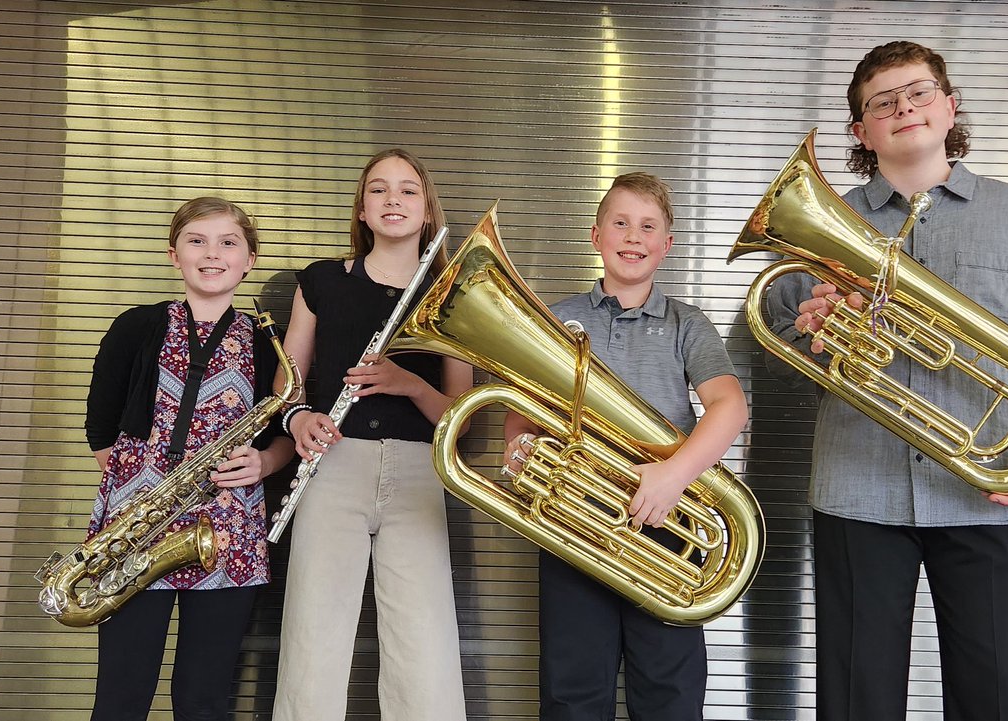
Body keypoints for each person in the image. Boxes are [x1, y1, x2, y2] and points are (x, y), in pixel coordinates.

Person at [763, 41, 1008, 721]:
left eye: (918, 92)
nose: (904, 108)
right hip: (858, 491)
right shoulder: (827, 220)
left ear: (950, 106)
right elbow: (776, 316)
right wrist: (812, 315)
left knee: (997, 696)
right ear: (862, 133)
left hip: (988, 490)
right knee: (857, 699)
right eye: (882, 102)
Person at [502, 172, 749, 721]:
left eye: (647, 227)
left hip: (668, 521)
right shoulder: (557, 317)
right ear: (595, 236)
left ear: (667, 245)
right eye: (620, 223)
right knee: (572, 689)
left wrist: (674, 475)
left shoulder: (688, 322)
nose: (632, 236)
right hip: (574, 519)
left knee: (668, 690)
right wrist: (518, 446)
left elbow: (730, 407)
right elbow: (521, 408)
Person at [272, 148, 471, 720]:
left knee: (424, 643)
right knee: (314, 635)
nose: (393, 200)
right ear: (361, 209)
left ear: (427, 209)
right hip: (333, 465)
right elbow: (287, 385)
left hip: (418, 470)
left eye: (408, 190)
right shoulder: (321, 283)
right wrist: (299, 419)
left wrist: (408, 383)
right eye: (379, 190)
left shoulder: (453, 294)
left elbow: (459, 416)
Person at [84, 196, 296, 720]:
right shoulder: (136, 327)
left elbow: (292, 424)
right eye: (196, 241)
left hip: (228, 532)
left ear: (250, 259)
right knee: (121, 693)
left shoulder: (269, 342)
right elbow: (101, 427)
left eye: (229, 243)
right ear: (173, 254)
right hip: (138, 529)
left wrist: (266, 464)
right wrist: (141, 493)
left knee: (203, 698)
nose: (212, 254)